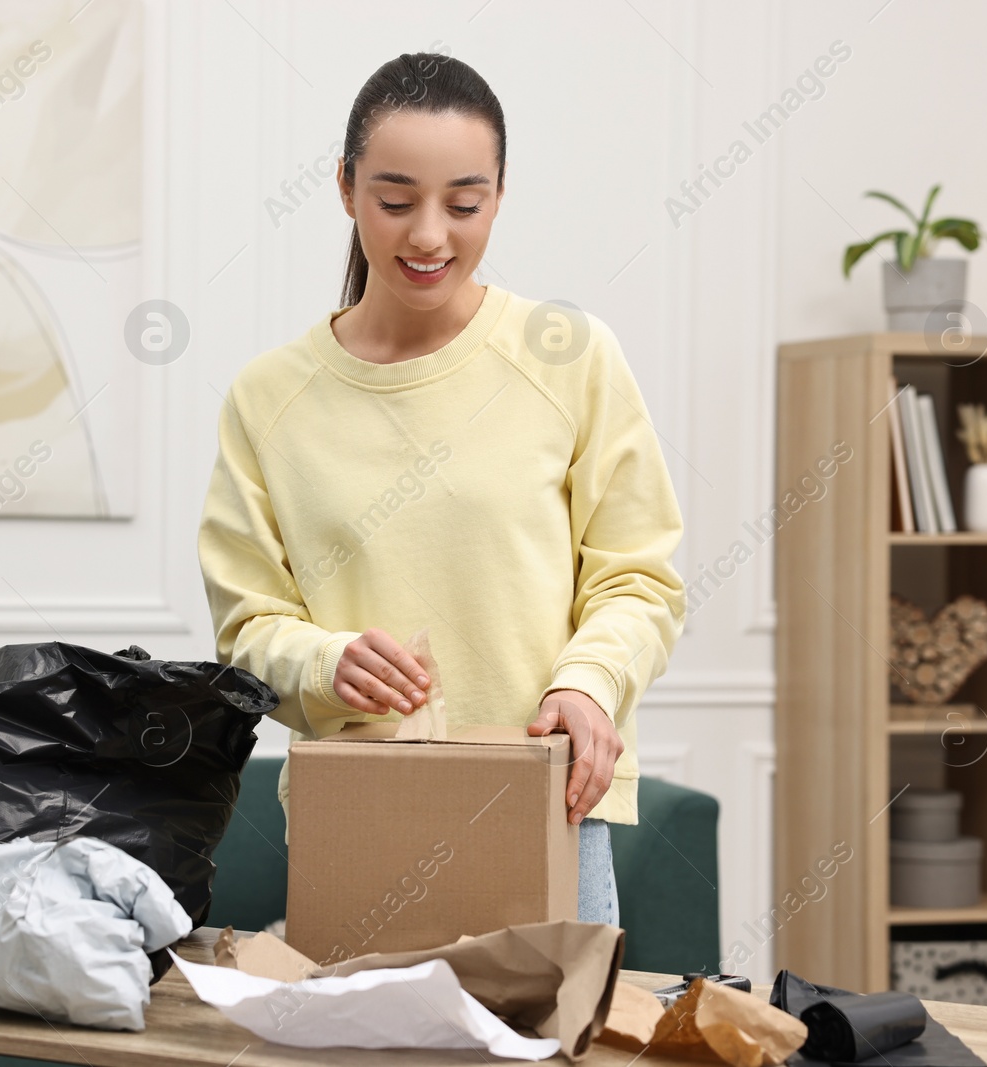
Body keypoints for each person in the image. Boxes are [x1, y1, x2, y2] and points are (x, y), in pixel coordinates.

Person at [196, 51, 686, 926]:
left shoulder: (568, 356)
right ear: (345, 188)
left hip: (550, 806)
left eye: (464, 204)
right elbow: (247, 626)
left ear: (499, 194)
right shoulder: (269, 398)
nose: (429, 235)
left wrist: (588, 683)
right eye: (394, 200)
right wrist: (326, 661)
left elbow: (638, 578)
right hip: (361, 818)